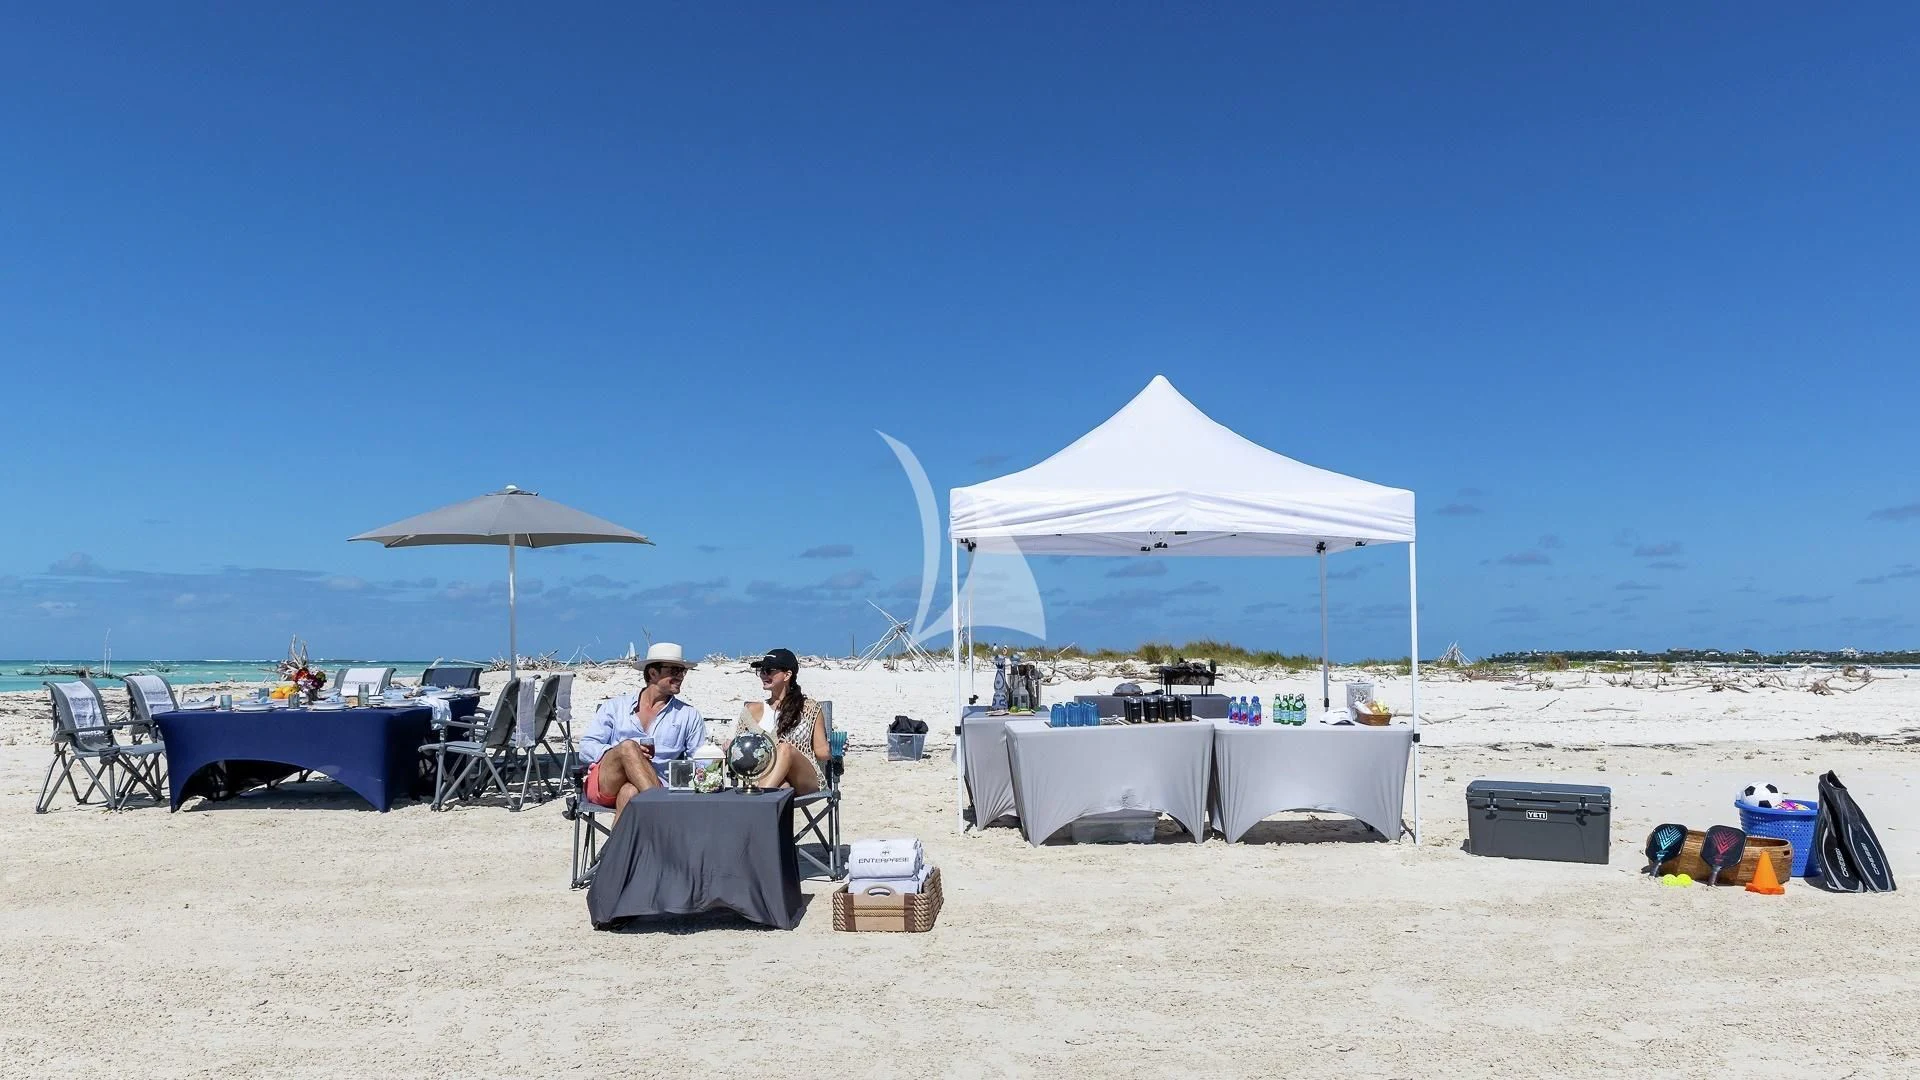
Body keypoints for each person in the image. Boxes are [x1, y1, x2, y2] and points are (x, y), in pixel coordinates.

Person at [578, 642, 707, 818]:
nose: (681, 676)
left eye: (683, 671)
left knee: (630, 791)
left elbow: (701, 760)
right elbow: (586, 747)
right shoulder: (616, 707)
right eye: (674, 671)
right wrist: (625, 753)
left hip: (657, 785)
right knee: (628, 748)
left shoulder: (688, 715)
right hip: (608, 783)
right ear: (653, 673)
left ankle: (617, 846)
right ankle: (661, 812)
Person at [731, 648, 828, 793]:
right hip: (768, 779)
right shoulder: (750, 711)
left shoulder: (809, 708)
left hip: (804, 779)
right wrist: (729, 747)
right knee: (782, 787)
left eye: (769, 670)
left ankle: (755, 806)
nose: (763, 674)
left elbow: (822, 752)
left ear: (787, 675)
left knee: (785, 748)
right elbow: (740, 752)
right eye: (761, 670)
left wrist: (836, 748)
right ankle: (762, 802)